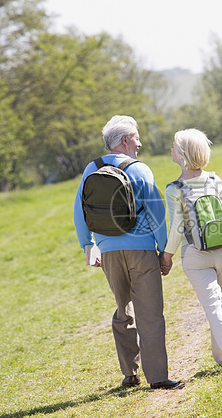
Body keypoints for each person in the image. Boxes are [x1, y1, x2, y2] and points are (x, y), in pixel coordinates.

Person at [73, 115, 183, 390]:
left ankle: (130, 374)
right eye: (136, 137)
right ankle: (157, 377)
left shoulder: (91, 169)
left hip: (108, 252)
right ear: (125, 140)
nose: (140, 142)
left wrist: (89, 246)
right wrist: (162, 251)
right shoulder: (139, 169)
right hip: (141, 250)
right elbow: (157, 213)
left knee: (124, 309)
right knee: (150, 314)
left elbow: (80, 212)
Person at [160, 129, 222, 371]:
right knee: (221, 303)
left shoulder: (174, 188)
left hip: (195, 255)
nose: (171, 149)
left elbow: (177, 228)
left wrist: (166, 257)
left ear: (182, 155)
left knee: (212, 304)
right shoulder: (214, 180)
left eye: (174, 146)